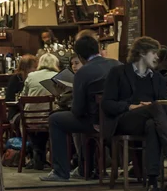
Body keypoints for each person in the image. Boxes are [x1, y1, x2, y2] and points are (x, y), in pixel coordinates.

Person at [101, 36, 167, 191]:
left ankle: (153, 184)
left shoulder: (157, 78)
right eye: (154, 53)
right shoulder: (118, 72)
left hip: (149, 121)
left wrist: (152, 108)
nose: (157, 57)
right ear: (141, 53)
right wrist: (130, 106)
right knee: (155, 108)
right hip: (125, 120)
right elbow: (106, 104)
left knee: (152, 126)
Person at [41, 36, 121, 182]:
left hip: (95, 122)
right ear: (98, 49)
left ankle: (61, 172)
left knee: (55, 119)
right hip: (119, 119)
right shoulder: (117, 64)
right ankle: (89, 166)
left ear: (80, 56)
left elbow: (77, 110)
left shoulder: (83, 72)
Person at [21, 53, 66, 170]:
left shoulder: (31, 76)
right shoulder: (58, 76)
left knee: (24, 123)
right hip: (50, 118)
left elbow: (23, 96)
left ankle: (37, 153)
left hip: (30, 119)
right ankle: (43, 155)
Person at [6, 54, 38, 123]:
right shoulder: (15, 79)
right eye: (34, 67)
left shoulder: (34, 79)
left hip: (31, 112)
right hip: (17, 113)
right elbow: (8, 99)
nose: (36, 70)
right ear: (26, 68)